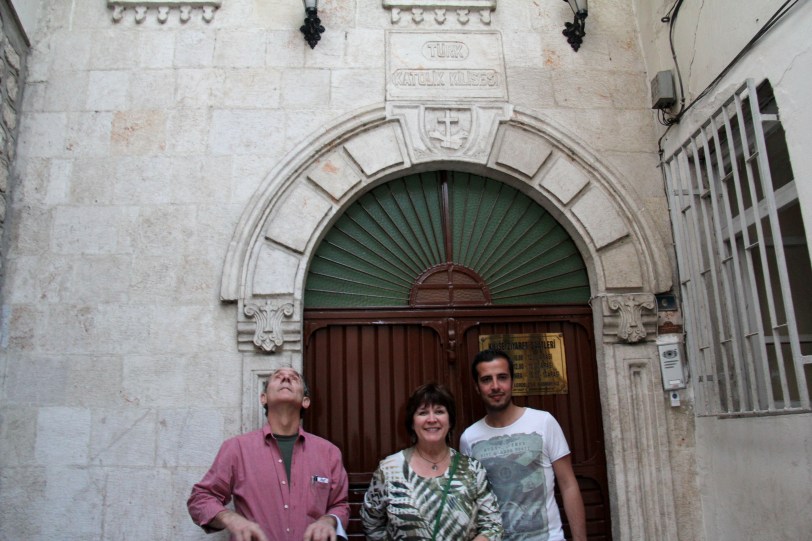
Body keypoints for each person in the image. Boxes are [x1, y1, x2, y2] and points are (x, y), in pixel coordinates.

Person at [187, 366, 350, 541]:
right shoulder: (236, 448)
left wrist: (329, 520)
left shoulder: (329, 453)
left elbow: (340, 505)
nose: (286, 378)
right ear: (263, 398)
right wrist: (231, 519)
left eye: (294, 378)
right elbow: (200, 498)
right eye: (278, 376)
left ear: (305, 401)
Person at [460, 349, 587, 541]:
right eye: (487, 380)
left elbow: (568, 484)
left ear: (512, 381)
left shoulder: (543, 422)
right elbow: (473, 500)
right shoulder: (469, 438)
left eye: (502, 377)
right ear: (477, 387)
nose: (495, 386)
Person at [361, 382, 504, 540]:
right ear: (412, 422)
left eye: (439, 411)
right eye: (422, 413)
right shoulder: (389, 469)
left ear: (450, 421)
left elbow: (492, 525)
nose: (431, 419)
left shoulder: (472, 469)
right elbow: (371, 524)